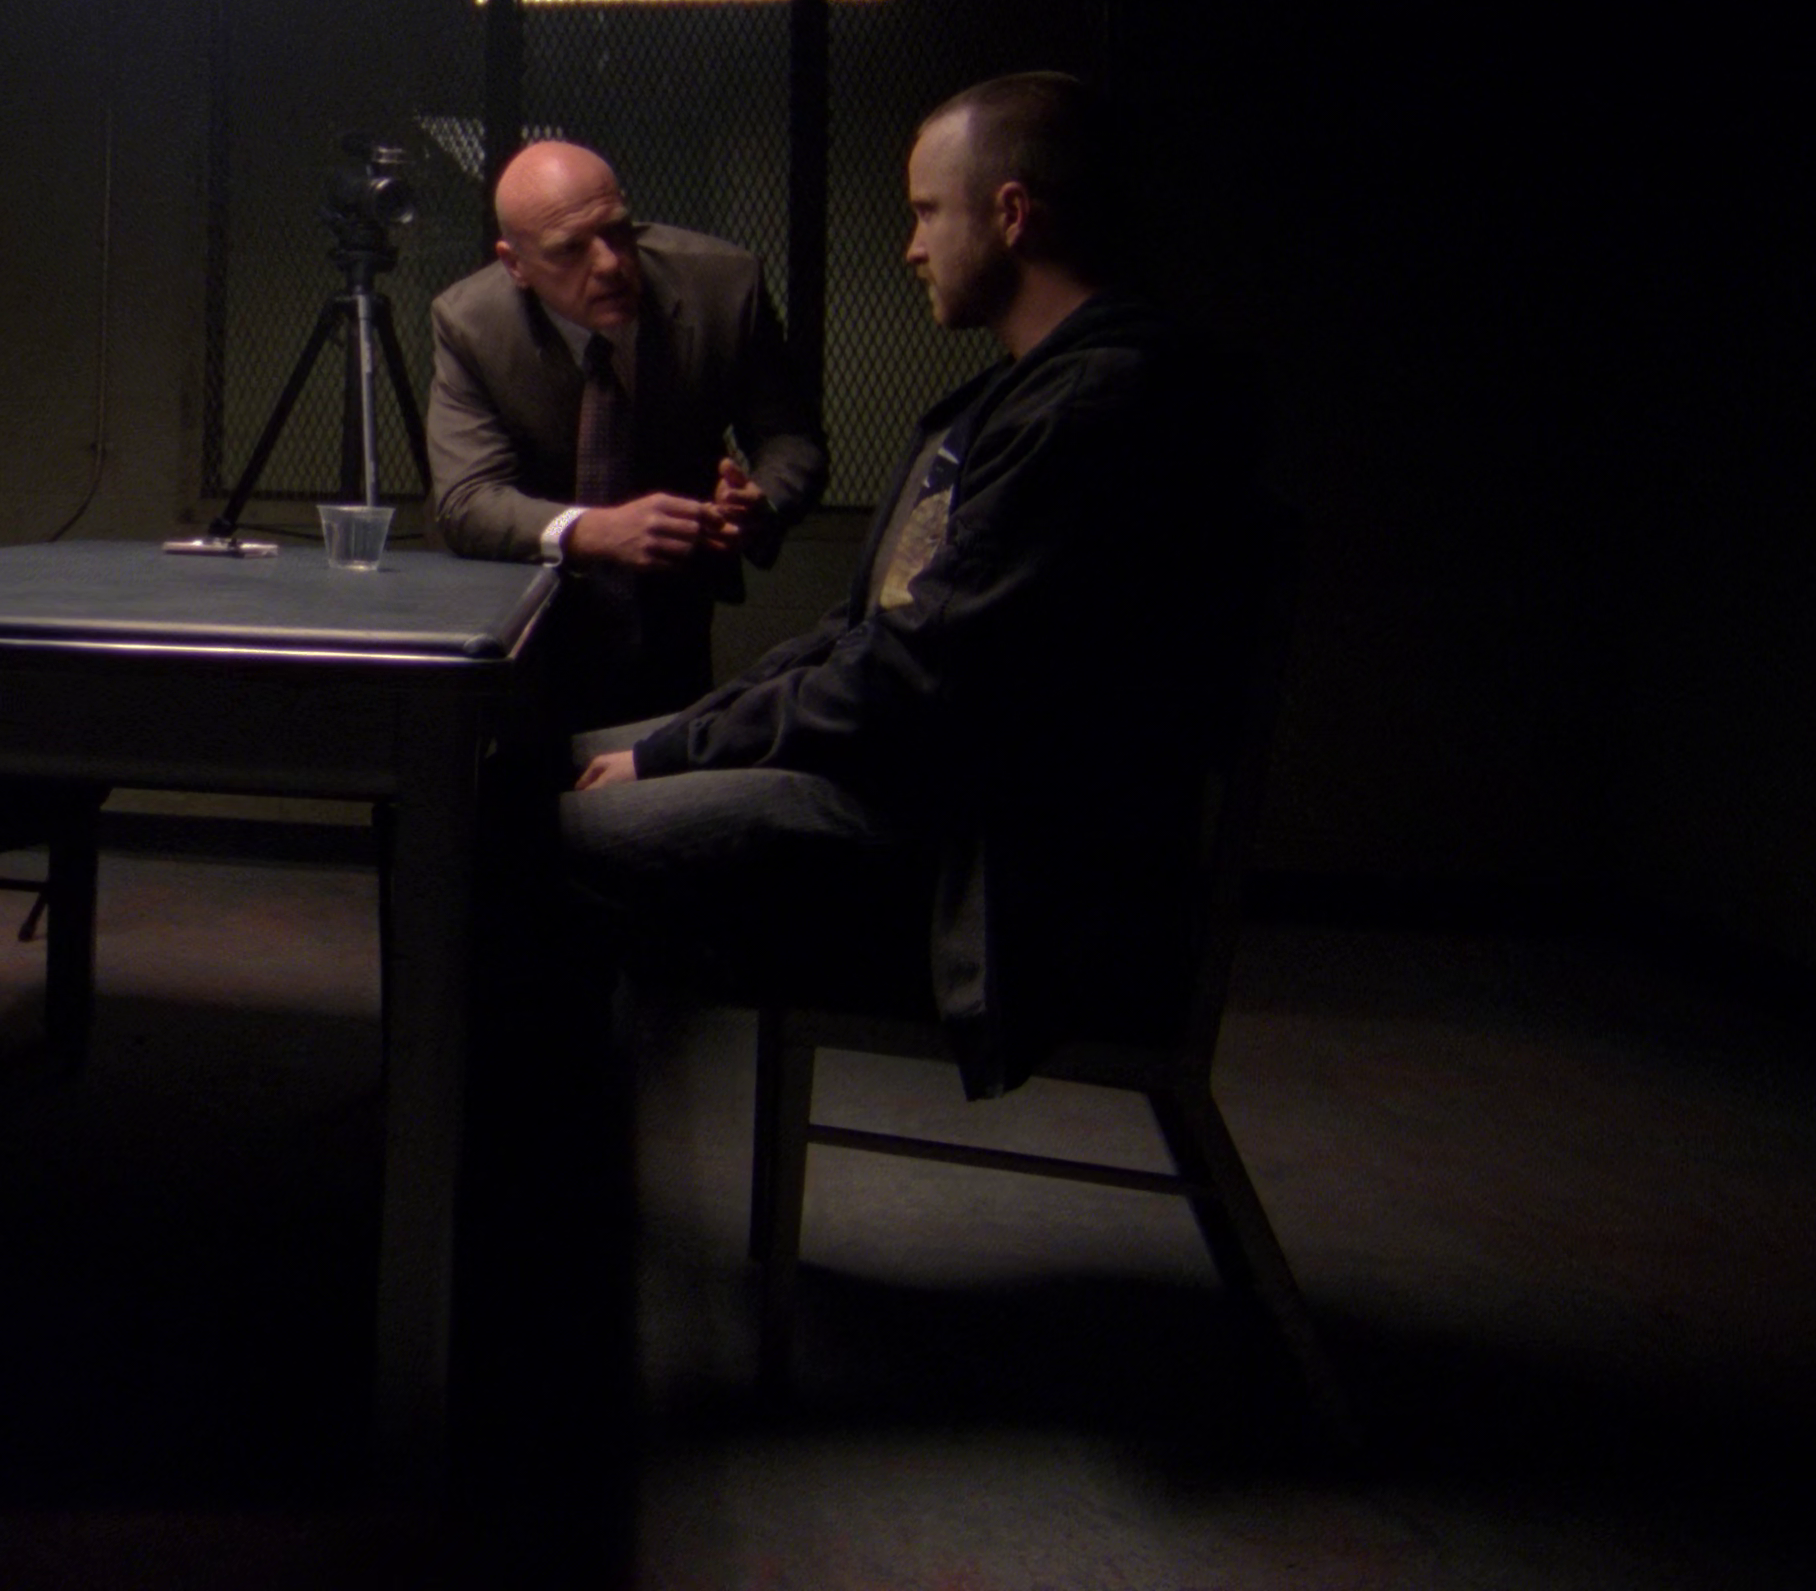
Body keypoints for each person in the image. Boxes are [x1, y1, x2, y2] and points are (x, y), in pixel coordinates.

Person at [555, 72, 1249, 1097]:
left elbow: (910, 680)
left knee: (537, 834)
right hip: (910, 785)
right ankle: (531, 1127)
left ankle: (520, 1153)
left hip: (982, 864)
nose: (912, 247)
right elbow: (861, 635)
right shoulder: (1013, 398)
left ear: (1011, 214)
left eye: (927, 212)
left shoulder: (1099, 408)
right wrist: (686, 733)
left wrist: (671, 753)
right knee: (535, 765)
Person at [426, 138, 826, 727]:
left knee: (664, 759)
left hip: (673, 598)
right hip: (526, 609)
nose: (610, 263)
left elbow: (792, 439)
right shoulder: (472, 322)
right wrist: (591, 530)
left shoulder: (723, 287)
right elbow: (467, 500)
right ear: (515, 265)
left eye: (617, 230)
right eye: (571, 249)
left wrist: (760, 501)